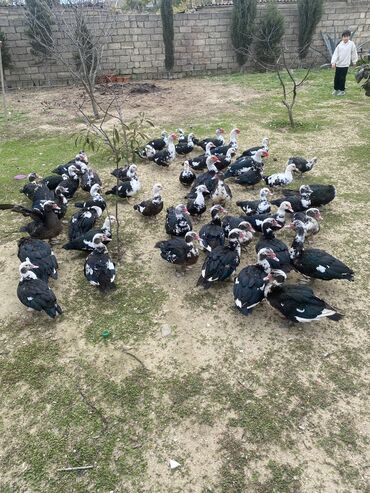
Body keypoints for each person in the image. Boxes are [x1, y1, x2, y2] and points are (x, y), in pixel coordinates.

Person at [331, 30, 358, 96]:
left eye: (347, 36)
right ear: (342, 37)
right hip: (338, 64)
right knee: (336, 77)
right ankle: (336, 89)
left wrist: (354, 61)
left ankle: (342, 90)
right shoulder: (339, 45)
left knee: (342, 78)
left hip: (345, 65)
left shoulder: (351, 44)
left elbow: (354, 53)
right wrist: (333, 62)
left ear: (349, 37)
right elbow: (335, 54)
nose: (346, 38)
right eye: (344, 36)